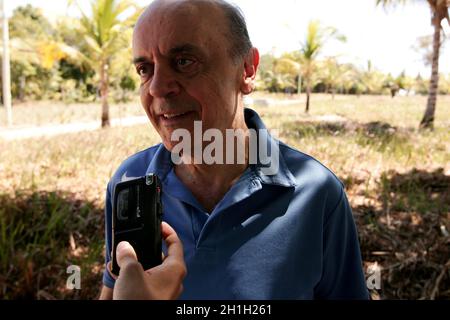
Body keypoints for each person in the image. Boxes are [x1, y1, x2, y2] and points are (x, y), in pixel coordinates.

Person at [100, 0, 369, 300]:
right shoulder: (130, 183)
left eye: (184, 61)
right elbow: (112, 290)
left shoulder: (316, 194)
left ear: (247, 69)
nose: (157, 88)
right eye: (144, 69)